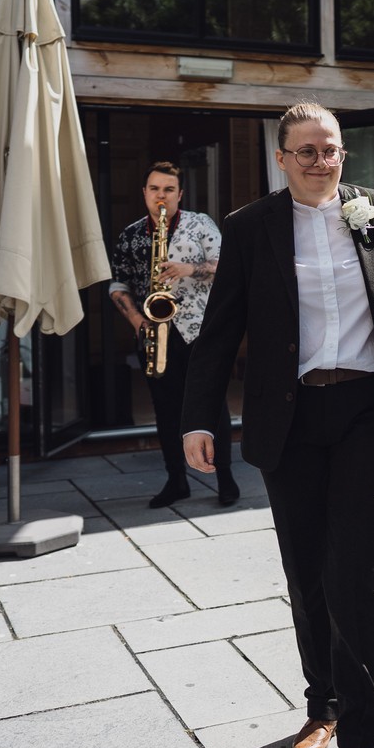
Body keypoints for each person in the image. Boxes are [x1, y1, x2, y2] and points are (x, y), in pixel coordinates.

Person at [180, 102, 374, 748]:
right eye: (307, 151)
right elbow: (220, 327)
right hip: (287, 418)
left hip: (369, 411)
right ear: (282, 159)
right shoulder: (249, 227)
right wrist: (198, 418)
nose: (322, 161)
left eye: (331, 150)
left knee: (360, 568)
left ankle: (358, 738)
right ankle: (321, 704)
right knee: (307, 569)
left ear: (343, 153)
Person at [109, 161, 238, 508]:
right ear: (144, 193)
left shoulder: (201, 224)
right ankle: (176, 480)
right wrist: (138, 321)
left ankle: (225, 479)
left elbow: (228, 265)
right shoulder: (131, 234)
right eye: (154, 189)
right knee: (165, 410)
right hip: (154, 332)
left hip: (199, 331)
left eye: (168, 190)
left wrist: (188, 269)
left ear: (180, 194)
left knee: (212, 404)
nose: (161, 196)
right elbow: (118, 284)